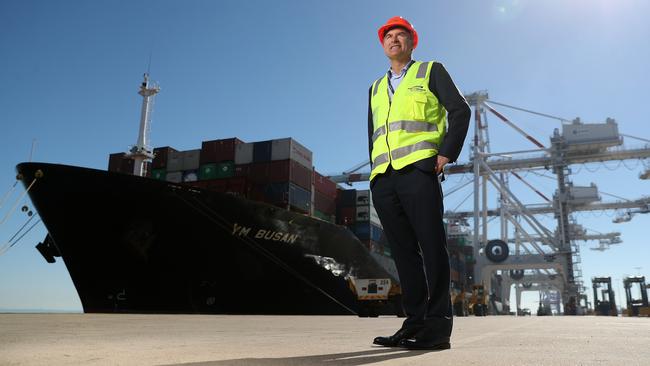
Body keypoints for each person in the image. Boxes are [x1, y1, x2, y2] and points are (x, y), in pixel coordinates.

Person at [368, 16, 470, 350]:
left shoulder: (430, 71)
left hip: (418, 171)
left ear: (412, 42)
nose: (394, 40)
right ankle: (414, 324)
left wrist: (446, 154)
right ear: (383, 45)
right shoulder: (375, 88)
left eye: (401, 35)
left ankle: (438, 330)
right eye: (389, 36)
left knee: (431, 248)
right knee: (403, 255)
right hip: (384, 178)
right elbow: (374, 134)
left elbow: (460, 111)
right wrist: (374, 171)